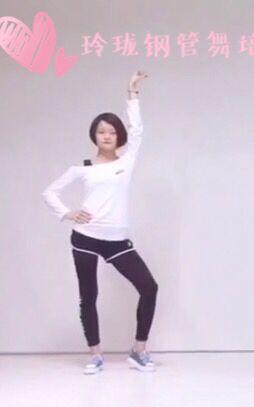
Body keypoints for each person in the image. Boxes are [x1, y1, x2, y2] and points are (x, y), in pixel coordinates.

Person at [42, 71, 158, 374]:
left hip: (117, 240)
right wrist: (67, 213)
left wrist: (132, 94)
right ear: (94, 136)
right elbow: (49, 192)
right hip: (85, 237)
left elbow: (138, 131)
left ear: (119, 136)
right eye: (101, 132)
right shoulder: (81, 169)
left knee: (149, 287)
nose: (107, 136)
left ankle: (139, 351)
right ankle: (95, 355)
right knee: (89, 296)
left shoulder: (126, 162)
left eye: (112, 132)